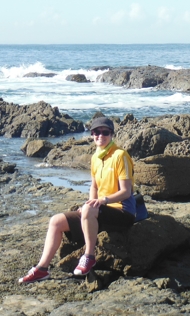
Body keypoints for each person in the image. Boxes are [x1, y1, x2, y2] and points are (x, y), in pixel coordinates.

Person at [18, 117, 136, 284]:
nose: (100, 136)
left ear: (111, 134)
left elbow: (126, 192)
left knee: (89, 209)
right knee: (56, 221)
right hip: (101, 211)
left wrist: (101, 202)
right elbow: (94, 187)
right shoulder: (96, 157)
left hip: (123, 212)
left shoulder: (120, 155)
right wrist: (90, 204)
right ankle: (42, 269)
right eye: (96, 132)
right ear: (92, 134)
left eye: (105, 132)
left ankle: (89, 256)